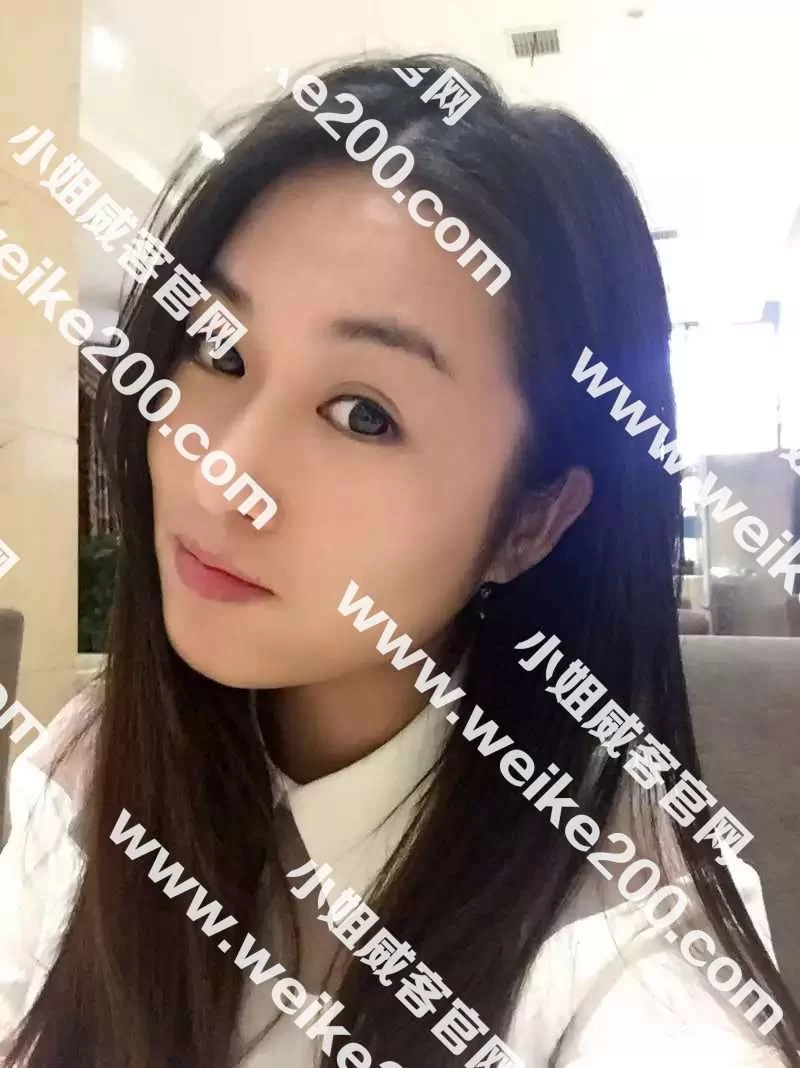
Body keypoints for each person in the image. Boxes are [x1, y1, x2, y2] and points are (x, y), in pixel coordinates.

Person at [0, 53, 797, 1068]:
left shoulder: (624, 938)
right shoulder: (91, 758)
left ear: (530, 521)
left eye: (362, 414)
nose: (217, 473)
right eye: (218, 348)